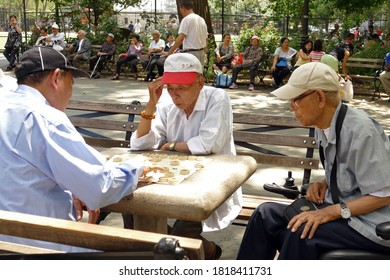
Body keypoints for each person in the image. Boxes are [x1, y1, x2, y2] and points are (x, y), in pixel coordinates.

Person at [0, 46, 159, 252]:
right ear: (57, 78)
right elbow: (100, 186)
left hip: (8, 246)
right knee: (146, 255)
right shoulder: (44, 117)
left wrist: (73, 185)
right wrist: (136, 168)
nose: (70, 93)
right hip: (42, 250)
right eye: (71, 83)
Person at [237, 62, 390, 260]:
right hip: (341, 206)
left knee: (300, 232)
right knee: (265, 215)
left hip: (370, 222)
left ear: (319, 97)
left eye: (296, 100)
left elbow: (383, 194)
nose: (291, 107)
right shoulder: (324, 123)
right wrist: (324, 183)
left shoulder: (361, 131)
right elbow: (349, 165)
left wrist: (329, 213)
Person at [129, 53, 242, 260]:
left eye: (181, 88)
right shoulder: (166, 105)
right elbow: (140, 144)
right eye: (170, 88)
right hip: (171, 182)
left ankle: (200, 251)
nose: (174, 94)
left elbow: (208, 144)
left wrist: (171, 145)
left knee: (176, 234)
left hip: (210, 183)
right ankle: (203, 250)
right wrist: (151, 106)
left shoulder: (217, 97)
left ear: (200, 83)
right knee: (130, 206)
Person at [166, 0, 208, 68]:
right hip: (201, 53)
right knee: (198, 76)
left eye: (180, 9)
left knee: (190, 76)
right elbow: (206, 39)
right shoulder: (201, 20)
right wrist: (204, 53)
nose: (181, 12)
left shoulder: (186, 19)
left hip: (191, 54)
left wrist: (169, 53)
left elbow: (181, 38)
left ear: (183, 8)